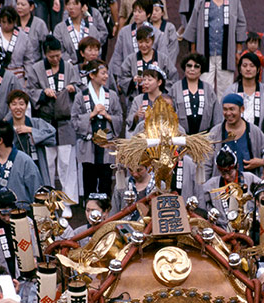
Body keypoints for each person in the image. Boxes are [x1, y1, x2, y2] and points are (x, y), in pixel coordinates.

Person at [27, 35, 80, 213]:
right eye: (52, 56)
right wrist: (43, 92)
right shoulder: (36, 68)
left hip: (65, 122)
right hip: (46, 122)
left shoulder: (69, 67)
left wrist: (73, 87)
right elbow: (31, 90)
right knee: (48, 164)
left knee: (66, 164)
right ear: (45, 54)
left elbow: (79, 86)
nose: (56, 59)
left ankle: (67, 203)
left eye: (58, 55)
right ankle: (49, 202)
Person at [0, 119, 43, 234]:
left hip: (21, 218)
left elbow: (37, 193)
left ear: (0, 140)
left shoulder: (25, 161)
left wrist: (41, 223)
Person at [71, 59, 122, 196]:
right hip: (88, 145)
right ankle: (90, 211)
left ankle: (106, 212)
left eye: (107, 73)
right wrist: (91, 114)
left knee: (106, 182)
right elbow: (74, 120)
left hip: (107, 146)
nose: (106, 76)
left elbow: (119, 117)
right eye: (103, 73)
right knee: (89, 182)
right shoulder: (80, 96)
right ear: (92, 75)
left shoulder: (112, 95)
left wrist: (108, 116)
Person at [183, 0, 247, 102]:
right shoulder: (201, 2)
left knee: (226, 89)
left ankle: (224, 116)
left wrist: (238, 51)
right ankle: (207, 116)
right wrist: (193, 51)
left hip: (226, 52)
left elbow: (240, 24)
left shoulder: (234, 2)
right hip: (204, 51)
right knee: (205, 87)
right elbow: (193, 25)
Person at [206, 93, 264, 179]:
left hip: (248, 185)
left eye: (232, 109)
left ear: (242, 109)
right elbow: (206, 164)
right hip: (222, 186)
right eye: (225, 109)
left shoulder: (254, 131)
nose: (228, 113)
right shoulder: (215, 133)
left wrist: (261, 162)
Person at [119, 24, 178, 108]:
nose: (144, 45)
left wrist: (159, 85)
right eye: (140, 42)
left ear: (152, 41)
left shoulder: (163, 59)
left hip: (160, 102)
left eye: (147, 42)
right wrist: (133, 81)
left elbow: (173, 78)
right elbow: (122, 79)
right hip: (137, 102)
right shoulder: (130, 59)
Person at [203, 146, 261, 229]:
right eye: (223, 173)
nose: (226, 177)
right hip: (222, 229)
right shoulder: (211, 185)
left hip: (248, 227)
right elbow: (202, 208)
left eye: (230, 173)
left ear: (237, 166)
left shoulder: (250, 179)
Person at [6, 89, 56, 186]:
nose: (18, 108)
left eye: (21, 104)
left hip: (36, 165)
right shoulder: (5, 127)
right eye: (14, 104)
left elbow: (52, 136)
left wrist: (31, 130)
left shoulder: (36, 123)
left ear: (26, 106)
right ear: (9, 106)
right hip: (13, 169)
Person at [110, 0, 166, 81]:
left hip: (151, 77)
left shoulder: (157, 34)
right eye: (134, 11)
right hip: (128, 77)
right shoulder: (124, 32)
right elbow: (117, 56)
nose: (136, 14)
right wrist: (119, 78)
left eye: (140, 12)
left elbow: (163, 57)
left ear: (148, 14)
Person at [170, 53, 222, 135]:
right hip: (181, 138)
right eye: (189, 66)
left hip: (205, 139)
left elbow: (217, 117)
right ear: (184, 67)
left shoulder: (208, 89)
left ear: (201, 70)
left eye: (196, 66)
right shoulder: (175, 88)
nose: (192, 69)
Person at [0, 6, 33, 82]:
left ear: (15, 21)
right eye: (3, 22)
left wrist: (27, 79)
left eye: (9, 22)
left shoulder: (23, 38)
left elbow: (28, 60)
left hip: (18, 77)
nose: (6, 25)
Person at [224, 52, 264, 128]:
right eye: (244, 66)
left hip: (261, 136)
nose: (248, 69)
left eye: (252, 66)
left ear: (258, 70)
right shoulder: (231, 91)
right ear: (240, 69)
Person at [53, 0, 101, 65]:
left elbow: (98, 50)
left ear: (82, 6)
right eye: (68, 4)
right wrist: (70, 63)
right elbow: (57, 50)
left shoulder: (92, 29)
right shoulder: (59, 28)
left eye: (75, 4)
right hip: (68, 68)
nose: (71, 7)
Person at [126, 67, 165, 134]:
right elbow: (129, 121)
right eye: (144, 80)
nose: (146, 83)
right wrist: (136, 115)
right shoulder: (138, 100)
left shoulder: (167, 99)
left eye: (149, 80)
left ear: (159, 82)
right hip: (142, 139)